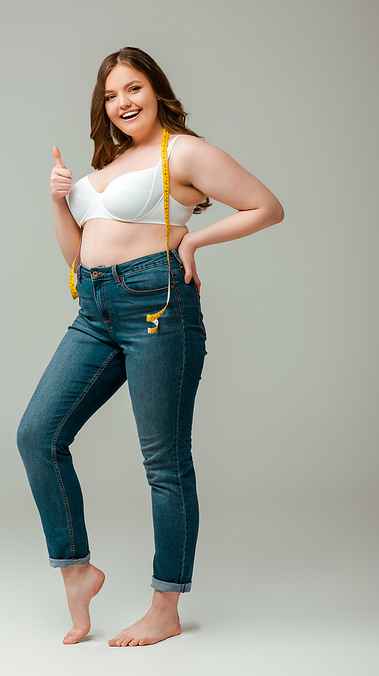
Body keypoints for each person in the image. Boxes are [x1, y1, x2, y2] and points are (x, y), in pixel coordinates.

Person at [17, 46, 284, 647]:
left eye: (133, 89)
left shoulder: (182, 150)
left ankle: (166, 604)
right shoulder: (102, 169)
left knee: (164, 462)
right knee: (38, 434)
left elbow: (267, 206)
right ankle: (78, 571)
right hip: (95, 307)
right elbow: (74, 254)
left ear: (157, 90)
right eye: (111, 96)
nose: (123, 103)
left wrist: (193, 244)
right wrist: (60, 200)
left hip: (156, 306)